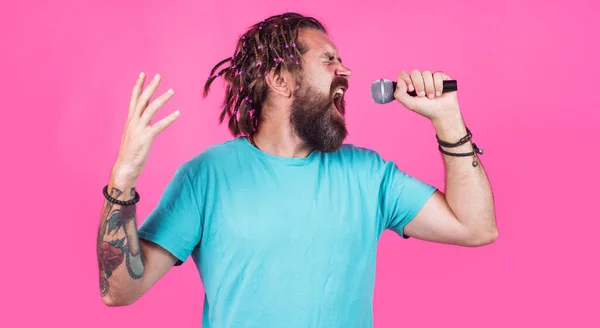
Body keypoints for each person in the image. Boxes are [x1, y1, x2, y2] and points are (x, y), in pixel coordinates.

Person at [96, 12, 497, 327]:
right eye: (328, 60)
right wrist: (123, 178)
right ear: (280, 80)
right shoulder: (206, 176)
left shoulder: (369, 175)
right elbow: (121, 291)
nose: (346, 71)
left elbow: (476, 228)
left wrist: (448, 119)